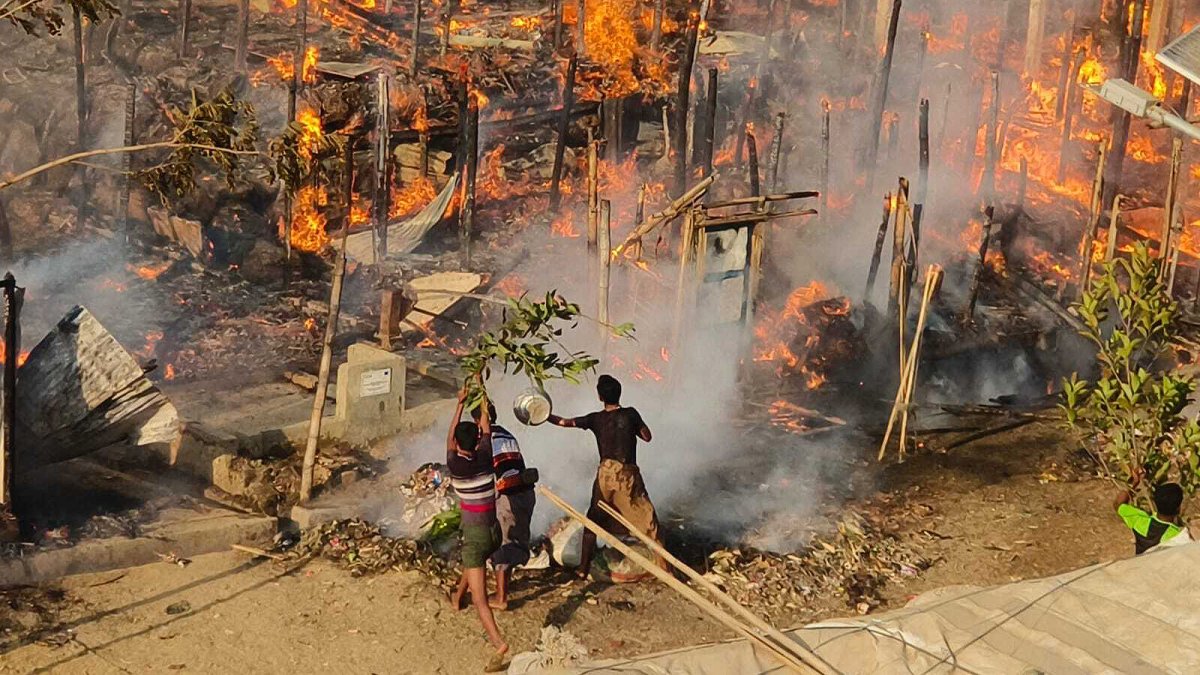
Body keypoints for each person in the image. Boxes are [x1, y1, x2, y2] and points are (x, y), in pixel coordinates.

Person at [548, 374, 669, 579]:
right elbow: (647, 437)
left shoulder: (596, 418)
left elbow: (564, 422)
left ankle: (582, 570)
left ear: (600, 397)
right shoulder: (631, 414)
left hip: (605, 475)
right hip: (627, 475)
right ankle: (666, 570)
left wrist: (544, 415)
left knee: (593, 520)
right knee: (648, 521)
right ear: (619, 394)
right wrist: (636, 426)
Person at [445, 388, 508, 672]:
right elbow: (485, 427)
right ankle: (457, 599)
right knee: (474, 564)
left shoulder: (456, 464)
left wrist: (459, 404)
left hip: (475, 535)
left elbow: (449, 439)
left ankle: (498, 643)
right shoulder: (486, 457)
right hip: (495, 532)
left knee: (481, 600)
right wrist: (483, 394)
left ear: (459, 443)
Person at [472, 401, 535, 610]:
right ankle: (504, 585)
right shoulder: (508, 435)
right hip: (526, 494)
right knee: (516, 541)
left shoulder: (487, 441)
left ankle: (501, 598)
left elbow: (490, 475)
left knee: (503, 545)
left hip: (509, 498)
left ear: (478, 421)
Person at [1114, 473, 1193, 555]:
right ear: (1178, 508)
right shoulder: (1177, 536)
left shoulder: (1140, 521)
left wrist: (1133, 483)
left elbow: (1118, 503)